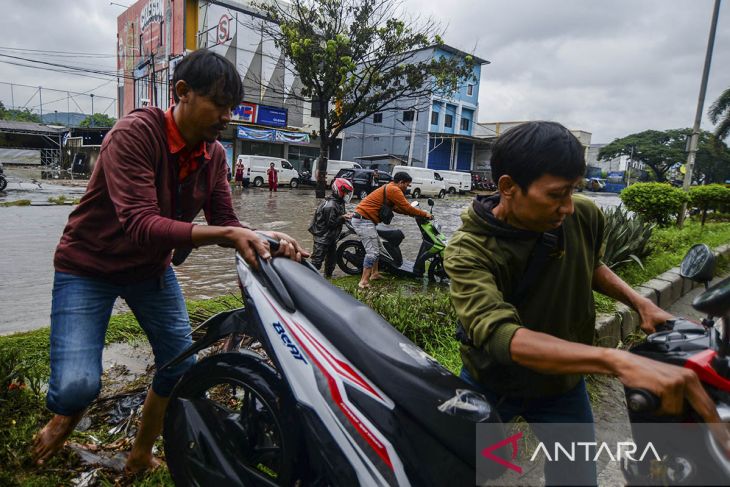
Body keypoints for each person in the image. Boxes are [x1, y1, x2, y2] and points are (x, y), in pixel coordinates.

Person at [31, 49, 308, 474]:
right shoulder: (134, 134)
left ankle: (140, 455)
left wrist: (266, 235)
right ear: (181, 92)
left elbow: (225, 221)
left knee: (180, 363)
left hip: (149, 271)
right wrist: (232, 234)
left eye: (231, 108)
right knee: (75, 388)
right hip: (88, 267)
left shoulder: (214, 154)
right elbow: (141, 224)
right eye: (218, 103)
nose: (226, 116)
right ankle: (63, 415)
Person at [444, 121, 729, 485]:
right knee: (463, 470)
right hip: (492, 383)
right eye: (556, 195)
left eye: (573, 191)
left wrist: (639, 302)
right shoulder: (469, 250)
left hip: (562, 388)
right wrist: (616, 360)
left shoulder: (583, 215)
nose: (568, 207)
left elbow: (590, 264)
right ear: (508, 187)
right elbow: (502, 336)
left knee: (577, 477)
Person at [352, 171, 432, 289]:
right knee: (373, 252)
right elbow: (406, 207)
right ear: (401, 182)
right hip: (364, 220)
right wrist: (424, 214)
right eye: (407, 185)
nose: (407, 187)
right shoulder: (394, 190)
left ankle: (374, 274)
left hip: (367, 220)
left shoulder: (390, 187)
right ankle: (363, 281)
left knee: (378, 249)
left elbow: (397, 208)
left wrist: (412, 214)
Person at [308, 178, 353, 278]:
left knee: (331, 260)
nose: (346, 195)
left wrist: (345, 215)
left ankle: (328, 278)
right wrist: (343, 217)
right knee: (317, 262)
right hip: (322, 238)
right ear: (338, 190)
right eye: (345, 192)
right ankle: (307, 279)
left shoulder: (338, 202)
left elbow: (337, 217)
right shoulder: (331, 205)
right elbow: (331, 223)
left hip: (331, 236)